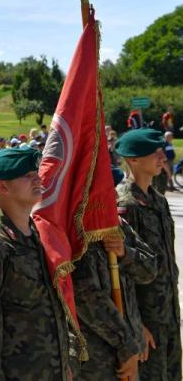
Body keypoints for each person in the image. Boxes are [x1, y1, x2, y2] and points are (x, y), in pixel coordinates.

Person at [0, 147, 74, 380]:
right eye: (26, 175)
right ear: (3, 187)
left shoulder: (34, 234)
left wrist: (65, 365)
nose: (37, 179)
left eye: (36, 172)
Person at [73, 180, 157, 380]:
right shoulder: (78, 235)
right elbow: (88, 299)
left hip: (130, 348)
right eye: (107, 189)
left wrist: (124, 252)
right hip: (98, 360)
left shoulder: (118, 225)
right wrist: (127, 346)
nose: (116, 195)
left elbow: (150, 270)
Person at [115, 128, 182, 379]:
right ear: (133, 159)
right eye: (153, 154)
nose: (162, 157)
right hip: (145, 321)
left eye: (161, 152)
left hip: (168, 315)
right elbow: (120, 274)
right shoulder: (124, 205)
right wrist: (135, 325)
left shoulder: (158, 201)